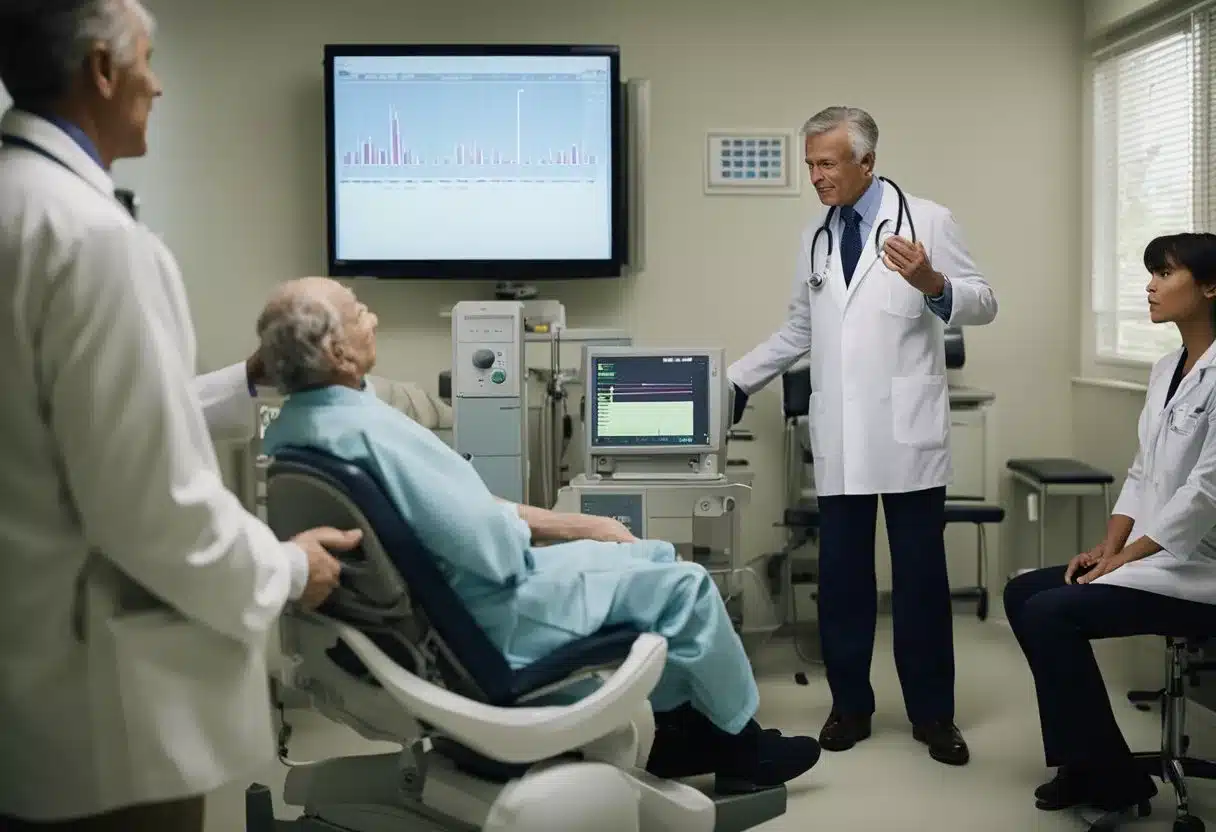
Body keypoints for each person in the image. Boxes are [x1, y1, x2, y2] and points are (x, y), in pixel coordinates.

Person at [0, 2, 362, 829]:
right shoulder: (91, 238)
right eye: (148, 60)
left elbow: (66, 434)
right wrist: (288, 570)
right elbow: (149, 506)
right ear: (100, 69)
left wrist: (246, 380)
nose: (158, 84)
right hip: (98, 732)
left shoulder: (20, 206)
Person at [255, 277, 824, 793]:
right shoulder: (370, 431)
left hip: (447, 603)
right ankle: (741, 746)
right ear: (336, 351)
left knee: (647, 552)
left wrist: (583, 526)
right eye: (359, 313)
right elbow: (493, 551)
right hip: (491, 614)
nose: (372, 319)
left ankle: (679, 730)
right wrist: (547, 535)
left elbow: (460, 514)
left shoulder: (301, 430)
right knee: (687, 585)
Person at [728, 106, 998, 766]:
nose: (816, 177)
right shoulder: (815, 238)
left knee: (920, 583)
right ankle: (850, 705)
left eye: (827, 163)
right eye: (810, 165)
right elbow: (800, 328)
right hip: (842, 436)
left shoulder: (928, 219)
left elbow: (984, 300)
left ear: (867, 163)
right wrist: (734, 381)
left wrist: (933, 283)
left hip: (907, 437)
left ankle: (934, 714)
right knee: (843, 580)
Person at [1005, 233, 1216, 817]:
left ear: (1209, 287)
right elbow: (1143, 469)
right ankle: (1090, 763)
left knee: (1051, 611)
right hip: (1157, 557)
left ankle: (1110, 779)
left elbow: (1205, 492)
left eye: (1165, 273)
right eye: (1150, 273)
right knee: (1023, 590)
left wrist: (1128, 559)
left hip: (1201, 570)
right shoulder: (1167, 366)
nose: (1150, 285)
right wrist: (1109, 544)